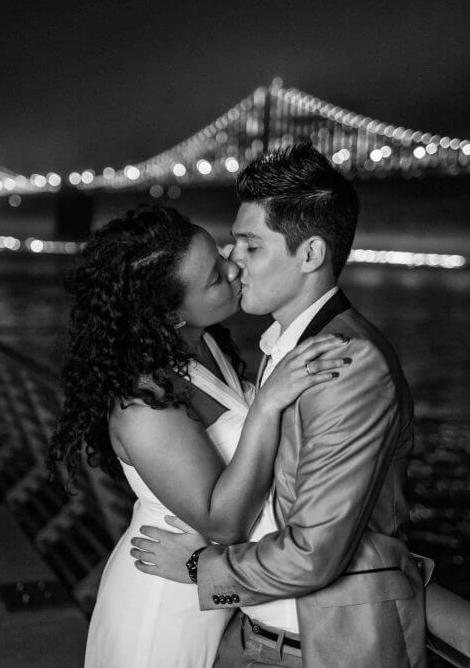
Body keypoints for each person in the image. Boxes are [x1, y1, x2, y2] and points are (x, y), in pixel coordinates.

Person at [130, 143, 433, 667]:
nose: (233, 261)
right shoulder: (287, 345)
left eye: (251, 247)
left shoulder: (346, 363)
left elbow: (314, 555)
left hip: (318, 650)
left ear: (310, 255)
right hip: (257, 636)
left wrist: (203, 569)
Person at [49, 205, 351, 667]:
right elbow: (224, 523)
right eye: (214, 277)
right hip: (164, 611)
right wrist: (269, 402)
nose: (235, 266)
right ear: (169, 314)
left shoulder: (204, 345)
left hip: (214, 595)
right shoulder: (142, 404)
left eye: (222, 253)